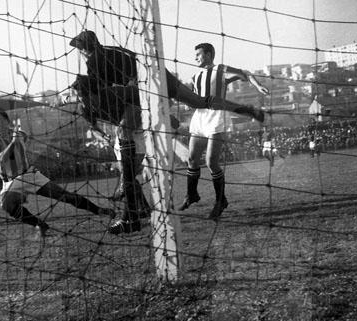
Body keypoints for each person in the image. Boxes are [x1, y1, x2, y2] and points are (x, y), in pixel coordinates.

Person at [69, 30, 266, 235]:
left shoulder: (93, 63)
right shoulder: (110, 50)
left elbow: (102, 91)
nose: (79, 53)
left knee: (124, 133)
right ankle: (246, 110)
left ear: (83, 49)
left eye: (79, 48)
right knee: (200, 102)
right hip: (156, 72)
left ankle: (131, 214)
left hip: (145, 86)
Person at [0, 107, 113, 242]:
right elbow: (0, 160)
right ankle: (40, 225)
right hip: (11, 182)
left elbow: (25, 138)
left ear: (7, 121)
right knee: (6, 204)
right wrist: (14, 142)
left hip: (30, 175)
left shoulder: (20, 134)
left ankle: (99, 210)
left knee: (64, 196)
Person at [179, 42, 270, 220]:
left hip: (216, 117)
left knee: (211, 162)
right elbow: (196, 99)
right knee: (192, 159)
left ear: (208, 54)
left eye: (198, 54)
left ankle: (221, 201)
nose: (195, 58)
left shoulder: (220, 70)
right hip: (199, 118)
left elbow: (245, 73)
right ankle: (192, 195)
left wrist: (258, 86)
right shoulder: (195, 76)